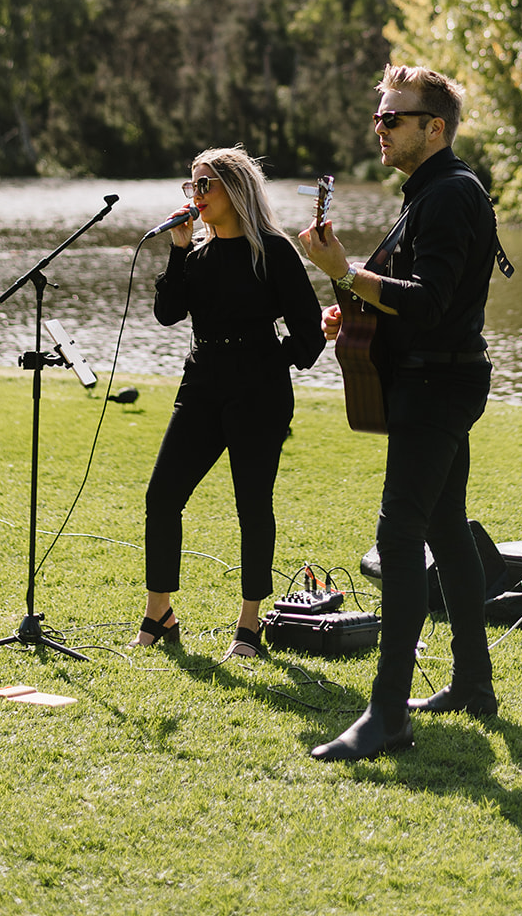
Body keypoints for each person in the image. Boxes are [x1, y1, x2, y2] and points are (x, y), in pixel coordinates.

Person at [299, 64, 506, 761]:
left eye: (392, 118)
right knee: (446, 528)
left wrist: (345, 273)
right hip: (436, 380)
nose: (378, 128)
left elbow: (430, 301)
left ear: (433, 128)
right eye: (377, 116)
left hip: (437, 388)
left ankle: (386, 716)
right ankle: (474, 685)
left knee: (399, 537)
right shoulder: (432, 193)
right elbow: (411, 300)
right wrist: (354, 312)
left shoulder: (448, 196)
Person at [135, 145, 325, 660]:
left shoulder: (274, 251)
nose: (193, 196)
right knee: (162, 495)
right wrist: (177, 248)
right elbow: (167, 313)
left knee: (251, 506)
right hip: (200, 385)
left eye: (204, 185)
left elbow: (309, 337)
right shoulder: (195, 256)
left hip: (257, 393)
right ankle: (160, 611)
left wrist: (269, 360)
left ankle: (249, 624)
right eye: (189, 186)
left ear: (233, 190)